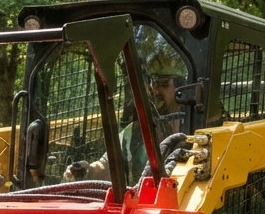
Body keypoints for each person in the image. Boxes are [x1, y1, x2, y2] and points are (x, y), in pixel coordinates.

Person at [66, 50, 187, 182]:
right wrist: (88, 171)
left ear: (182, 88)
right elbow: (108, 164)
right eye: (153, 83)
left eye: (163, 84)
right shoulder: (133, 132)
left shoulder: (197, 125)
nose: (155, 91)